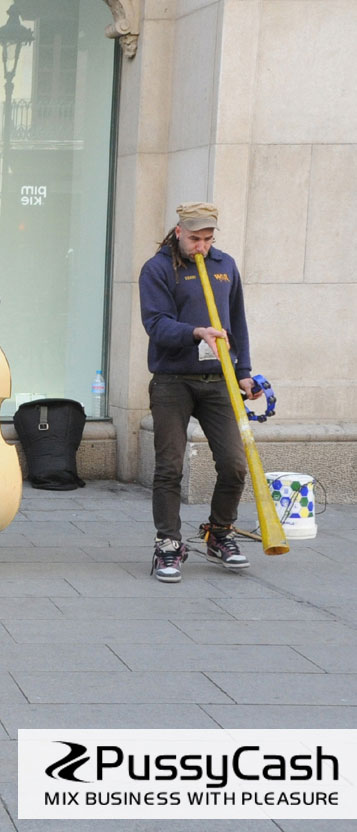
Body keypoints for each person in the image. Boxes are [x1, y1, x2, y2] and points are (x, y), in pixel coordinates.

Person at [140, 202, 259, 583]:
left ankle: (219, 532)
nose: (201, 247)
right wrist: (196, 333)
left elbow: (236, 320)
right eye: (194, 238)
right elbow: (156, 325)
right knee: (169, 466)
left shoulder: (225, 266)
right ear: (178, 232)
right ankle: (169, 544)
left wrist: (243, 373)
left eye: (208, 239)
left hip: (218, 379)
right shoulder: (157, 269)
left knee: (235, 464)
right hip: (173, 380)